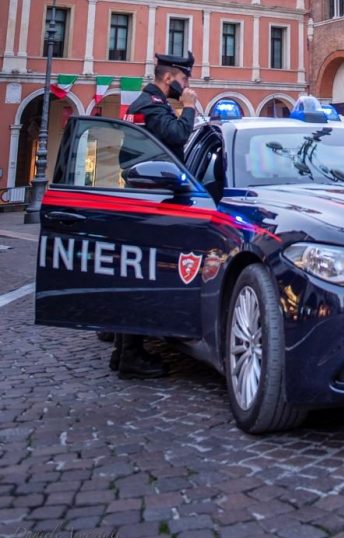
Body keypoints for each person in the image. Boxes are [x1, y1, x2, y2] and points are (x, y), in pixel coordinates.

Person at [111, 51, 198, 379]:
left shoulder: (144, 105)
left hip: (143, 199)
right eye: (184, 79)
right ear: (169, 77)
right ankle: (130, 355)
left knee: (136, 276)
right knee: (143, 277)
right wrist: (188, 107)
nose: (186, 85)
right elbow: (176, 136)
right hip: (150, 203)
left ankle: (122, 352)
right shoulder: (151, 105)